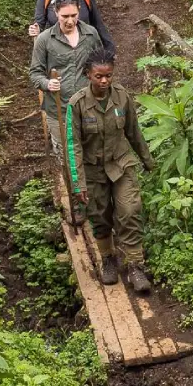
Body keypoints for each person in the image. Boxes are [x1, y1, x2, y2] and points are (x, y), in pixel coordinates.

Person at [68, 48, 156, 290]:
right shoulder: (77, 105)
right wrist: (78, 184)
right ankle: (108, 258)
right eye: (99, 76)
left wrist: (148, 161)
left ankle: (136, 266)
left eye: (108, 76)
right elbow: (72, 145)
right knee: (100, 216)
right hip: (93, 170)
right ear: (88, 75)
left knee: (129, 210)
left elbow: (133, 132)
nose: (104, 81)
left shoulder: (122, 97)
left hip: (121, 164)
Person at [29, 0, 105, 119]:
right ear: (56, 12)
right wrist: (47, 84)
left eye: (74, 15)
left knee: (90, 139)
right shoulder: (44, 39)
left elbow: (101, 64)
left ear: (79, 11)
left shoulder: (91, 34)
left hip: (89, 107)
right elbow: (35, 73)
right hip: (59, 110)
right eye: (65, 16)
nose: (70, 21)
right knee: (62, 140)